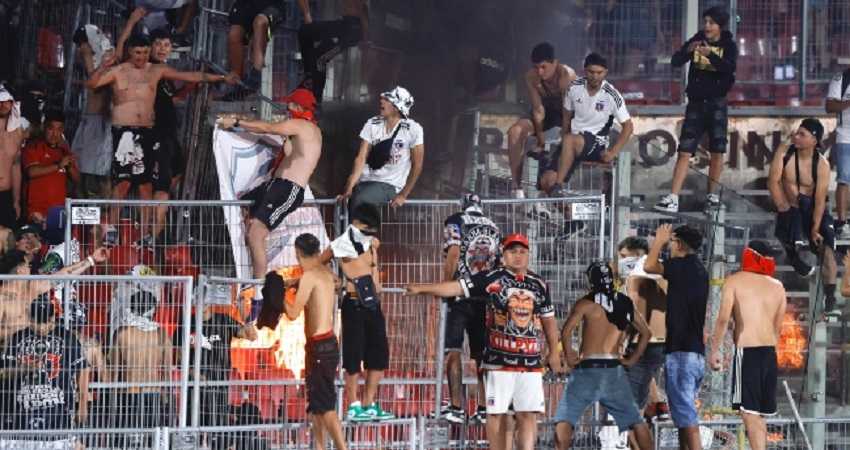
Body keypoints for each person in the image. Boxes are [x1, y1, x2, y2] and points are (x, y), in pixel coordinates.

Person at [406, 233, 562, 450]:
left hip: (530, 364)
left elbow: (549, 320)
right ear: (503, 255)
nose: (518, 256)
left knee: (528, 414)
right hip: (498, 362)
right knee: (496, 414)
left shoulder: (539, 285)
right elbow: (456, 287)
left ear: (528, 255)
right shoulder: (491, 277)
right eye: (512, 251)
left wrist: (554, 351)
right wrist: (423, 288)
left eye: (522, 252)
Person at [86, 33, 234, 246]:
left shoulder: (157, 70)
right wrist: (103, 65)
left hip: (148, 131)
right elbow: (92, 84)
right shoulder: (118, 71)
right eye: (138, 52)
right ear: (130, 52)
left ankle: (146, 234)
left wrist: (221, 78)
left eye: (145, 52)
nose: (141, 56)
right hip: (125, 132)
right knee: (123, 183)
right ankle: (110, 228)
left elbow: (190, 76)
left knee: (146, 185)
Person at [216, 113, 322, 303]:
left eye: (292, 105)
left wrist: (237, 121)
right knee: (242, 204)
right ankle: (251, 266)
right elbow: (289, 152)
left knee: (256, 234)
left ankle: (258, 295)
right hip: (274, 185)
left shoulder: (305, 126)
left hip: (287, 189)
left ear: (301, 108)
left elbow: (268, 128)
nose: (288, 109)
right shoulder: (300, 133)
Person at [554, 261, 653, 450]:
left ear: (591, 281)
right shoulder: (625, 302)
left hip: (588, 368)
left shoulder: (585, 303)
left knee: (565, 420)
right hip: (614, 370)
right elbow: (646, 333)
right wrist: (632, 359)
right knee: (635, 421)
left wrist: (569, 355)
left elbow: (566, 331)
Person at [655, 6, 738, 214]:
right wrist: (688, 51)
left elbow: (729, 70)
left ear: (720, 26)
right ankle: (673, 197)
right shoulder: (698, 38)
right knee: (685, 149)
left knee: (717, 150)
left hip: (717, 103)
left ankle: (711, 197)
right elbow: (676, 61)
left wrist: (711, 55)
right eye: (706, 22)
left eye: (711, 23)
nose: (707, 26)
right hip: (696, 102)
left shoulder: (729, 45)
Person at [319, 203, 394, 421]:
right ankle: (353, 406)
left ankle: (369, 402)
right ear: (357, 224)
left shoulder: (372, 243)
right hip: (353, 303)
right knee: (353, 357)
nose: (370, 234)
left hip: (373, 305)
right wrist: (333, 278)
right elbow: (319, 262)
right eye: (367, 229)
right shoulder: (341, 245)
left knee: (379, 355)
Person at [708, 241, 786, 450]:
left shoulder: (734, 281)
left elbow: (723, 319)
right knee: (758, 414)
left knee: (749, 413)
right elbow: (776, 328)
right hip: (769, 353)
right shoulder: (778, 287)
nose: (771, 260)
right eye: (768, 255)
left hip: (748, 353)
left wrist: (715, 350)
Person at [277, 233, 347, 450]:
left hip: (319, 346)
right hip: (325, 345)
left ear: (298, 254)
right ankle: (319, 447)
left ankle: (342, 447)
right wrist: (295, 283)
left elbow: (292, 312)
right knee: (316, 405)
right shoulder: (326, 273)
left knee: (325, 406)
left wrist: (277, 292)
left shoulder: (309, 277)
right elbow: (333, 283)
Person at [436, 193, 501, 424]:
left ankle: (455, 407)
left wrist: (446, 285)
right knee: (482, 354)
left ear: (463, 205)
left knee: (453, 349)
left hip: (460, 293)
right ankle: (484, 408)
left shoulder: (456, 220)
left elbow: (453, 253)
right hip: (484, 296)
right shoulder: (494, 227)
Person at [644, 224, 708, 450]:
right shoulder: (699, 268)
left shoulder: (682, 266)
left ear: (679, 244)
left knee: (687, 417)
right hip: (695, 353)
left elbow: (650, 265)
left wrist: (658, 241)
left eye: (671, 242)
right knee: (682, 415)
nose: (668, 246)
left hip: (682, 352)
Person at [768, 118, 838, 314]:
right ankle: (794, 256)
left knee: (827, 251)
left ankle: (830, 295)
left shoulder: (822, 165)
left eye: (802, 135)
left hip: (814, 207)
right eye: (796, 133)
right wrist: (782, 205)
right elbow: (773, 182)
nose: (796, 137)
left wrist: (815, 229)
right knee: (786, 220)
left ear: (814, 140)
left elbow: (819, 200)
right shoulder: (784, 152)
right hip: (791, 205)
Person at [172, 290, 257, 448]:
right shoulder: (186, 324)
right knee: (192, 435)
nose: (201, 303)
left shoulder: (223, 320)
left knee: (219, 436)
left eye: (204, 299)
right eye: (197, 299)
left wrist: (242, 310)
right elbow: (177, 358)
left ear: (210, 300)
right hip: (194, 389)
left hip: (219, 388)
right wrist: (194, 373)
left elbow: (252, 336)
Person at [0, 295, 90, 436]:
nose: (41, 327)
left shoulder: (68, 338)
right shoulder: (17, 338)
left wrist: (83, 403)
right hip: (21, 414)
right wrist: (24, 369)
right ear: (30, 319)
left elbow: (83, 368)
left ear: (52, 318)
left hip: (59, 413)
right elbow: (4, 372)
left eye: (45, 322)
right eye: (37, 323)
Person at [547, 53, 633, 197]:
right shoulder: (573, 88)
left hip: (597, 144)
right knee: (546, 181)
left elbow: (628, 127)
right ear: (585, 70)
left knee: (569, 140)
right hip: (573, 142)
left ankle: (559, 185)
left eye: (599, 73)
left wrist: (613, 153)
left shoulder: (612, 95)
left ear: (605, 72)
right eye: (591, 72)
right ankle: (569, 216)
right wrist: (562, 137)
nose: (595, 76)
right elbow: (567, 115)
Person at [506, 42, 576, 198]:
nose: (540, 71)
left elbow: (568, 112)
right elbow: (538, 110)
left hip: (566, 116)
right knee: (514, 132)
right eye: (536, 67)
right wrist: (540, 139)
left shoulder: (567, 75)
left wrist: (562, 138)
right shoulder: (531, 77)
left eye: (544, 67)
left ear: (555, 62)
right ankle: (516, 188)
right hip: (545, 114)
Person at [340, 86, 424, 212]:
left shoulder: (413, 129)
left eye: (387, 100)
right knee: (346, 202)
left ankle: (357, 231)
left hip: (389, 185)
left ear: (397, 107)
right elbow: (361, 158)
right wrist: (349, 188)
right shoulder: (372, 123)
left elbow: (417, 165)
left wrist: (403, 195)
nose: (381, 101)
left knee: (360, 199)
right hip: (365, 182)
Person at [618, 237, 670, 427]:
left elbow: (631, 308)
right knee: (642, 390)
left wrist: (620, 339)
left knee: (630, 403)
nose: (620, 260)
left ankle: (626, 441)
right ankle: (659, 406)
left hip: (642, 342)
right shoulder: (665, 271)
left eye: (623, 256)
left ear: (637, 254)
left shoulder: (635, 275)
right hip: (665, 343)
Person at [109, 290, 172, 436]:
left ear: (132, 308)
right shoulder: (162, 335)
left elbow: (114, 372)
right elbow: (167, 372)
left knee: (125, 443)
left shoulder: (121, 333)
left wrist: (112, 399)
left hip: (128, 394)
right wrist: (166, 397)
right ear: (153, 309)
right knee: (152, 441)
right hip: (153, 394)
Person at [71, 24, 114, 200]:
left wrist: (89, 58)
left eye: (82, 44)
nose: (80, 49)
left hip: (99, 122)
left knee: (95, 171)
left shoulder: (105, 61)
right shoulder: (98, 62)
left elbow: (96, 86)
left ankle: (100, 212)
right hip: (89, 120)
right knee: (78, 163)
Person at [297, 0, 368, 103]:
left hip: (352, 29)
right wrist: (307, 15)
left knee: (320, 59)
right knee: (305, 31)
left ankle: (316, 99)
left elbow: (363, 9)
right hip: (343, 24)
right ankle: (309, 77)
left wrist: (365, 38)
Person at [22, 111, 79, 221]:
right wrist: (58, 165)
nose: (55, 134)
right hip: (36, 211)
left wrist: (70, 167)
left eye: (59, 129)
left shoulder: (65, 150)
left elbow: (77, 179)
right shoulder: (33, 147)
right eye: (51, 129)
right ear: (44, 128)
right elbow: (31, 172)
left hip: (59, 211)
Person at [224, 0, 285, 98]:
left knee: (260, 22)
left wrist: (307, 15)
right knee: (234, 34)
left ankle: (255, 76)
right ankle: (237, 81)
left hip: (272, 5)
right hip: (246, 5)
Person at [826, 66, 850, 238]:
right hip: (846, 135)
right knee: (844, 179)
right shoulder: (841, 78)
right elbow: (829, 105)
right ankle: (842, 222)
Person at [0, 85, 24, 229]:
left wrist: (16, 200)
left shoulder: (17, 133)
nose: (2, 105)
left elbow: (16, 167)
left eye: (6, 100)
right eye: (0, 101)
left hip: (6, 196)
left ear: (12, 103)